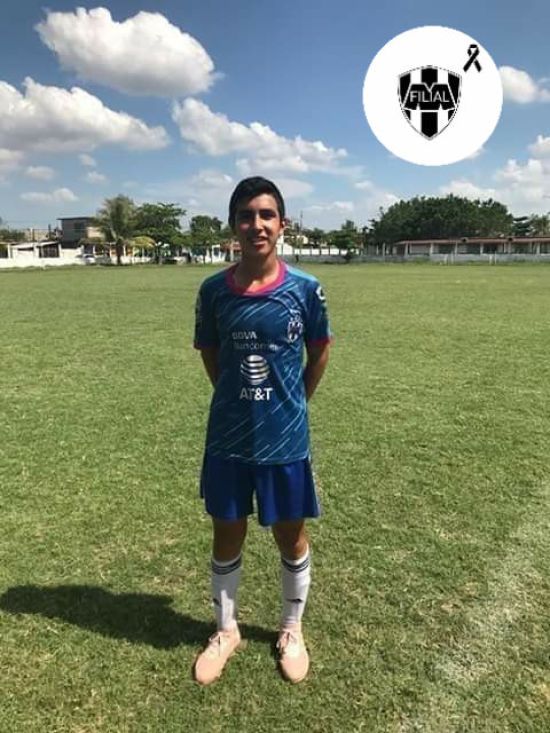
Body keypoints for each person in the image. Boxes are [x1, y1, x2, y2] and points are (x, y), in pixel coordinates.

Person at [193, 176, 331, 685]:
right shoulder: (213, 291)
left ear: (282, 224)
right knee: (226, 533)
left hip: (285, 438)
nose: (257, 225)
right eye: (247, 216)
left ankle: (291, 629)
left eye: (266, 215)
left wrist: (292, 404)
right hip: (228, 438)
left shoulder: (306, 289)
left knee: (290, 536)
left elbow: (319, 351)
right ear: (233, 226)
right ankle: (226, 631)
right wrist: (237, 397)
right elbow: (212, 355)